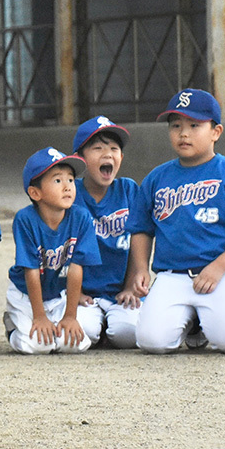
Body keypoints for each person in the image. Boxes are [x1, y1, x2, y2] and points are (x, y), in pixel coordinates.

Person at [125, 88, 225, 354]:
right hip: (173, 275)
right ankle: (193, 324)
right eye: (176, 125)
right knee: (151, 341)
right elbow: (141, 228)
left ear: (216, 132)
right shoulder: (156, 178)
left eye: (194, 125)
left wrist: (219, 267)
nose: (183, 133)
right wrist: (140, 269)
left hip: (224, 272)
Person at [3, 147, 101, 354]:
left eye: (71, 180)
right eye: (58, 180)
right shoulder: (25, 219)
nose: (67, 187)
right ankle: (13, 326)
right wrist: (39, 316)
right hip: (26, 296)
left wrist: (70, 316)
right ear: (35, 193)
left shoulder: (81, 217)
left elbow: (76, 268)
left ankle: (51, 324)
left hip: (58, 294)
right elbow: (31, 270)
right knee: (38, 345)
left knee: (73, 344)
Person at [71, 116, 141, 348]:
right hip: (82, 293)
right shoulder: (69, 192)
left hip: (119, 292)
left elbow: (138, 242)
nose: (108, 154)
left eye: (114, 148)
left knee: (129, 335)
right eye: (98, 148)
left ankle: (108, 327)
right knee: (79, 335)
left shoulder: (129, 190)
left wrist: (131, 286)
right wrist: (73, 292)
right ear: (80, 158)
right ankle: (98, 328)